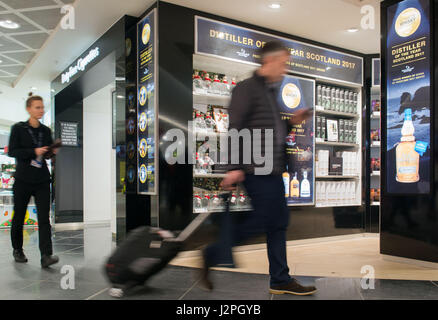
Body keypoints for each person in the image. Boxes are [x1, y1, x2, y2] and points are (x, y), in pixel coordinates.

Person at [201, 41, 317, 296]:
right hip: (256, 168)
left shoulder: (269, 92)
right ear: (270, 61)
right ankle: (213, 253)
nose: (284, 70)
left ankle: (280, 279)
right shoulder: (246, 88)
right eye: (283, 63)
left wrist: (292, 122)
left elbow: (272, 132)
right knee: (268, 220)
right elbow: (235, 128)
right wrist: (233, 167)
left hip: (272, 169)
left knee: (278, 222)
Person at [8, 93, 60, 268]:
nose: (41, 110)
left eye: (42, 107)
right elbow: (13, 152)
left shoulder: (45, 131)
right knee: (19, 216)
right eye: (37, 107)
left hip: (42, 180)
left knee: (44, 218)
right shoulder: (18, 129)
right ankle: (18, 250)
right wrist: (34, 151)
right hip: (23, 179)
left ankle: (46, 255)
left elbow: (46, 153)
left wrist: (51, 152)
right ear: (29, 109)